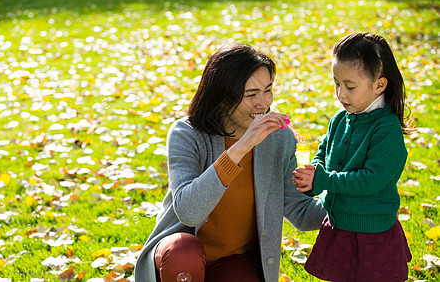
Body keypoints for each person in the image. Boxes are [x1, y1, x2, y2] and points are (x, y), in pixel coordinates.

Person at [134, 43, 326, 282]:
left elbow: (301, 212)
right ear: (222, 97)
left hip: (235, 260)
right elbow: (189, 212)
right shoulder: (186, 134)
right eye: (251, 94)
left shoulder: (280, 139)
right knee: (184, 254)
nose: (263, 103)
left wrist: (349, 193)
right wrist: (242, 146)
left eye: (267, 90)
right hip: (182, 254)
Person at [292, 32, 413, 282]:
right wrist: (311, 177)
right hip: (340, 224)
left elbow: (371, 180)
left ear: (379, 85)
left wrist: (324, 179)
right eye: (336, 83)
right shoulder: (339, 120)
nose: (341, 94)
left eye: (350, 86)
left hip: (371, 231)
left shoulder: (386, 129)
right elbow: (323, 155)